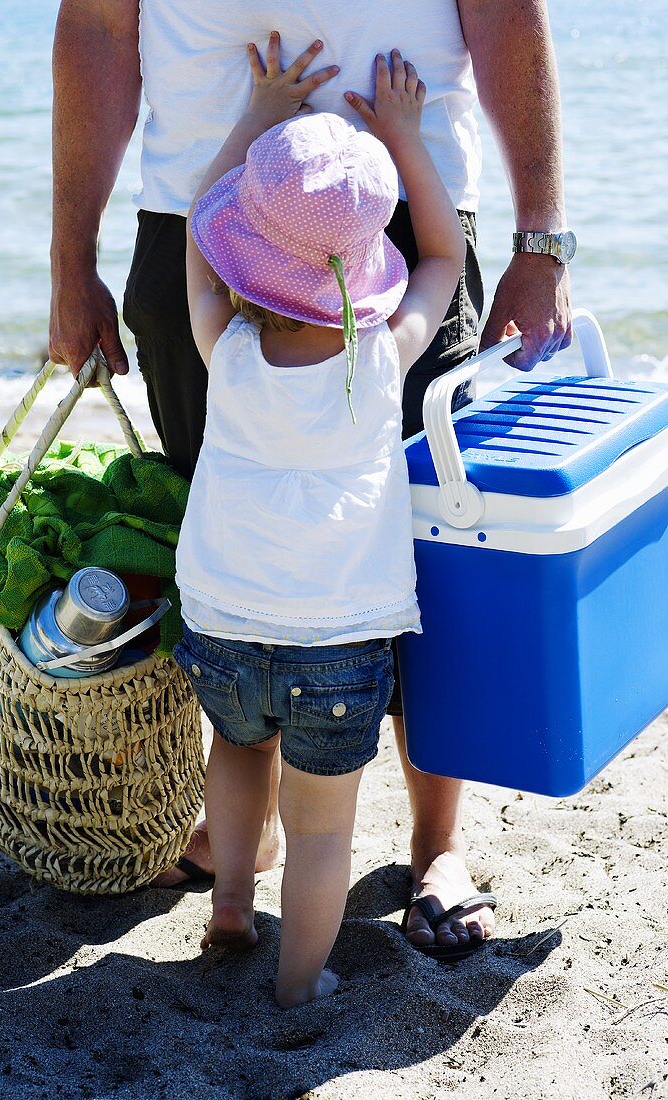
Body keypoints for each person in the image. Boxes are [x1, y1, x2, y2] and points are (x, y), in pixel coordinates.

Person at [49, 0, 573, 954]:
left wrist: (541, 241)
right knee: (365, 564)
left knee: (409, 556)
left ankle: (426, 846)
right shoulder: (365, 340)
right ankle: (262, 848)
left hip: (316, 225)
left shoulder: (227, 334)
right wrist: (69, 258)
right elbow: (93, 26)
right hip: (242, 219)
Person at [175, 38, 470, 1006]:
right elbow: (441, 254)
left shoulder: (226, 345)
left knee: (237, 751)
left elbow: (194, 231)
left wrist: (257, 113)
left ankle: (227, 905)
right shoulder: (380, 358)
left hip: (221, 618)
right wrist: (405, 135)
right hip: (335, 642)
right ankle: (300, 988)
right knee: (323, 829)